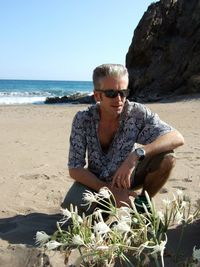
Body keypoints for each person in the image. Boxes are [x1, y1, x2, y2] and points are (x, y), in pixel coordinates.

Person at [61, 63, 184, 214]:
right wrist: (110, 191)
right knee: (72, 211)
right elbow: (75, 168)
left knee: (167, 157)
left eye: (123, 92)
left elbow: (176, 137)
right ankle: (111, 204)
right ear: (97, 96)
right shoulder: (83, 119)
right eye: (112, 93)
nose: (119, 99)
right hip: (97, 182)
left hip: (128, 178)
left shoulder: (136, 113)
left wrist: (136, 155)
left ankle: (142, 205)